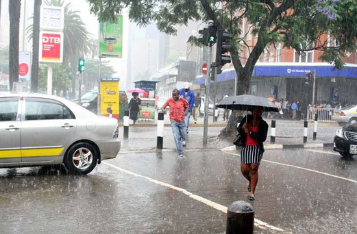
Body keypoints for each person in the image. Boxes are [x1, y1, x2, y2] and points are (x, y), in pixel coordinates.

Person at [237, 106, 268, 200]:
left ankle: (252, 193)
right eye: (255, 110)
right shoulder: (246, 119)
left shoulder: (264, 124)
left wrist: (250, 132)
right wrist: (242, 128)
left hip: (256, 148)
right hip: (246, 147)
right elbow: (239, 130)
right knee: (244, 170)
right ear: (252, 111)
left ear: (262, 111)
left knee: (254, 169)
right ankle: (251, 181)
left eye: (259, 110)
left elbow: (262, 138)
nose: (257, 112)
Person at [162, 89, 189, 157]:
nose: (174, 97)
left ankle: (183, 139)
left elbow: (187, 107)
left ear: (178, 95)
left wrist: (186, 112)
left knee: (184, 135)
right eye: (173, 95)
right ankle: (180, 152)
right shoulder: (169, 100)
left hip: (181, 121)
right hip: (173, 121)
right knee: (176, 137)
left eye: (175, 95)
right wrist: (163, 110)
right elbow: (163, 107)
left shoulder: (183, 100)